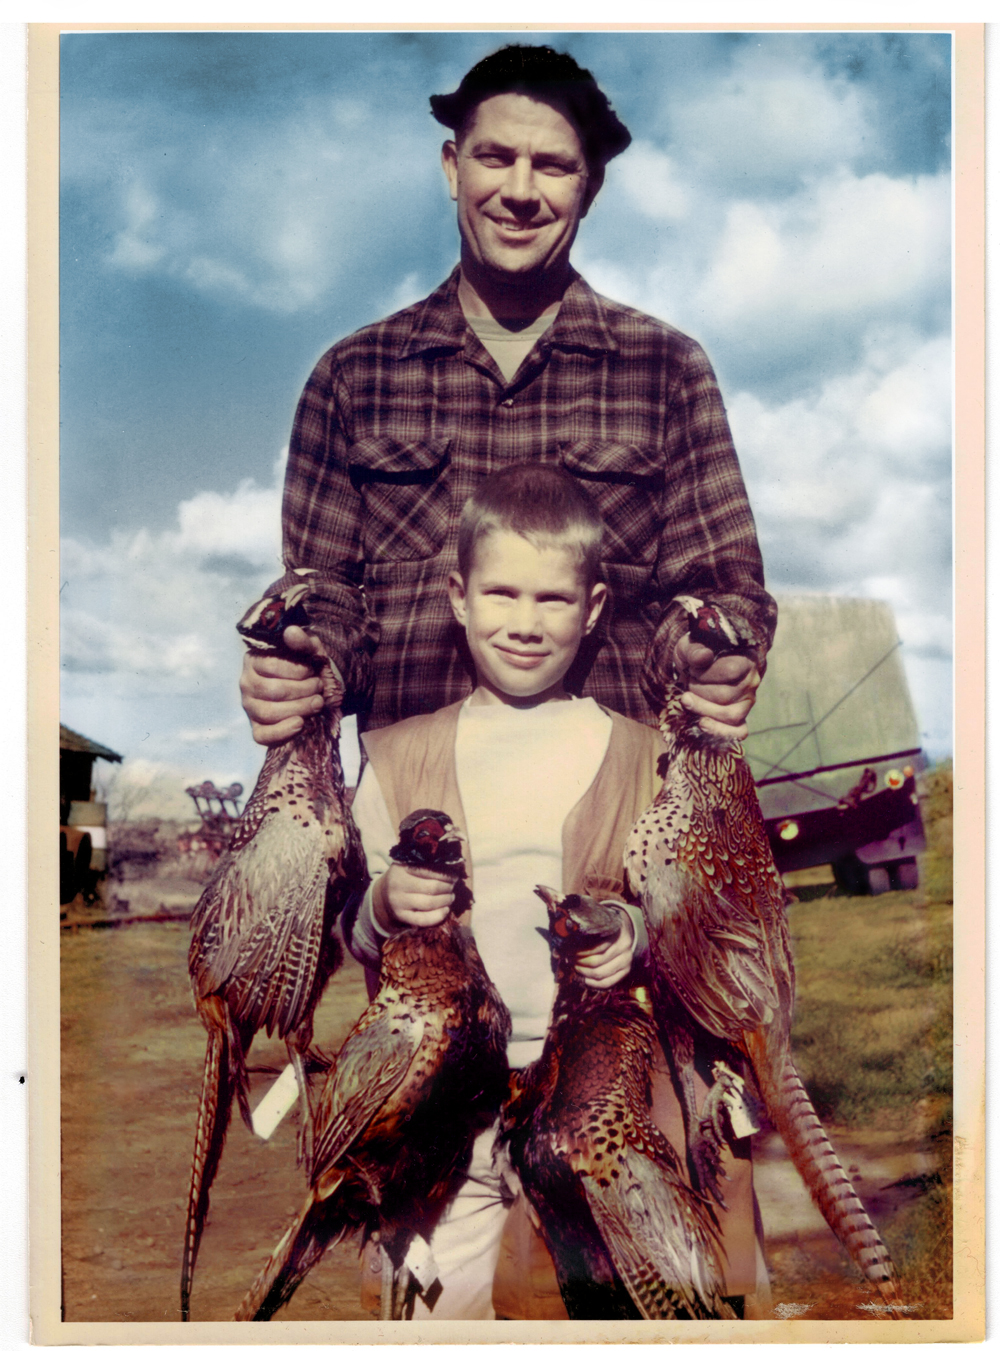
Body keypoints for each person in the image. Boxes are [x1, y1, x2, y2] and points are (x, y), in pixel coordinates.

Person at [239, 42, 777, 751]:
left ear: (591, 187)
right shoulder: (352, 377)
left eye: (552, 165)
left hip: (618, 820)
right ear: (452, 168)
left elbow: (721, 589)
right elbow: (328, 598)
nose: (521, 191)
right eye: (495, 158)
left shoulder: (669, 370)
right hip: (412, 831)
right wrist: (301, 664)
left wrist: (713, 653)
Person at [343, 464, 764, 1321]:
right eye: (501, 593)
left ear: (597, 606)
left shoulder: (649, 757)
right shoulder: (392, 756)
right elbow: (354, 933)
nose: (526, 624)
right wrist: (383, 906)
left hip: (600, 1109)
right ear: (456, 596)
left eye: (554, 599)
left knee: (618, 1313)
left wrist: (635, 934)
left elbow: (695, 929)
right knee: (426, 1322)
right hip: (442, 1117)